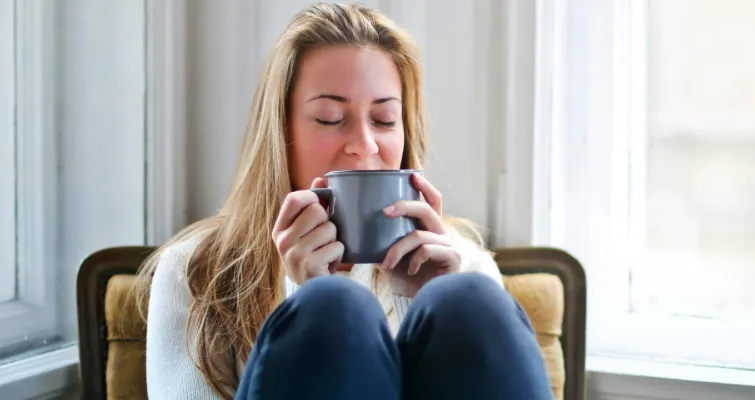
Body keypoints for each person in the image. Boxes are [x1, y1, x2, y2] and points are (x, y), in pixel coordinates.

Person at [137, 3, 552, 399]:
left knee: (468, 298)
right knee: (334, 307)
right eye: (330, 119)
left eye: (385, 120)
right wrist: (304, 296)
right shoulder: (192, 271)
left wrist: (419, 301)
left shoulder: (464, 265)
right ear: (281, 133)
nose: (364, 144)